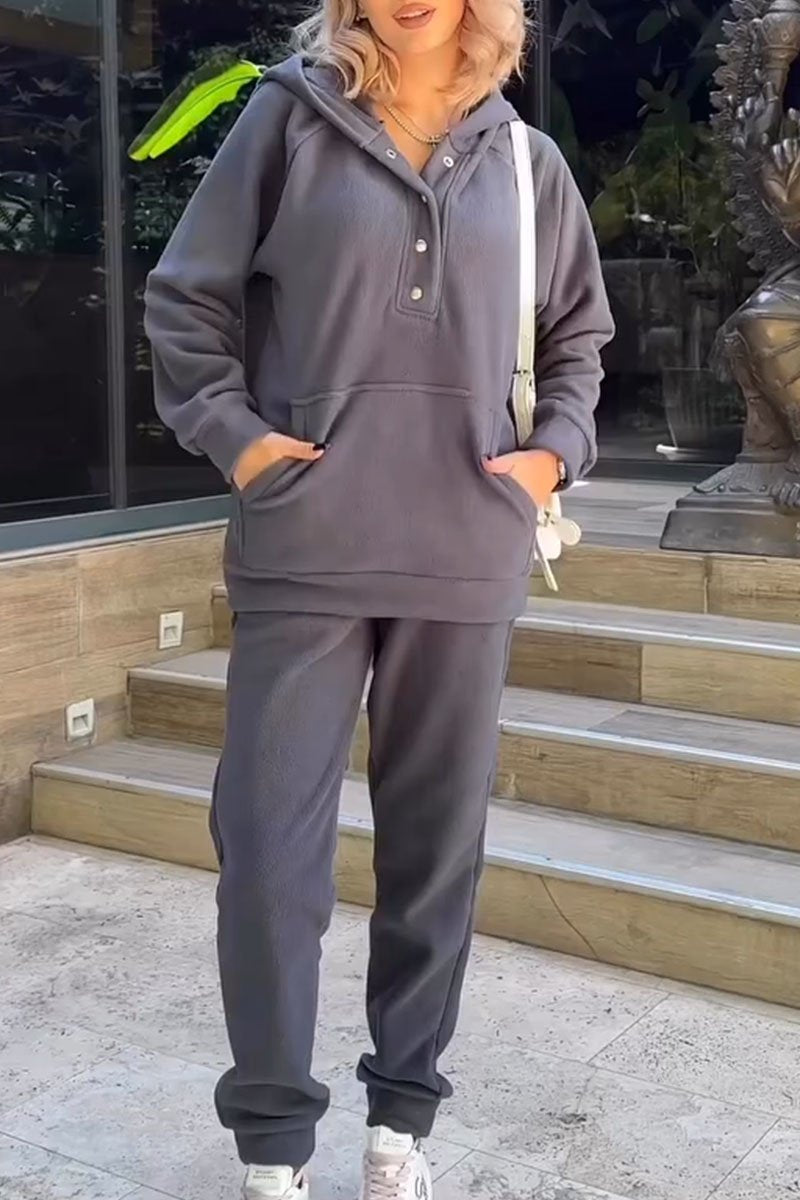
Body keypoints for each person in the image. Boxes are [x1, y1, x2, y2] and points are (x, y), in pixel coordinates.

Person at [145, 1, 613, 1196]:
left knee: (433, 853)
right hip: (305, 543)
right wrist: (240, 442)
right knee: (266, 854)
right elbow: (185, 298)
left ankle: (401, 1120)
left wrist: (550, 456)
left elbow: (577, 336)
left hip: (464, 549)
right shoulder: (285, 121)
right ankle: (272, 1144)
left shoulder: (526, 160)